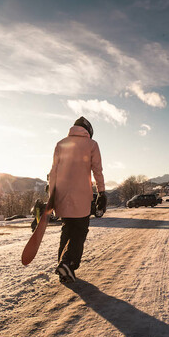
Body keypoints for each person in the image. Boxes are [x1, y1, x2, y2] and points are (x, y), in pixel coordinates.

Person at [48, 116, 106, 283]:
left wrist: (52, 195)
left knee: (67, 230)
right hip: (81, 196)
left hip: (62, 196)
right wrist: (101, 192)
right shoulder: (92, 145)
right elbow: (97, 170)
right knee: (79, 232)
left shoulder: (61, 144)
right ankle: (67, 263)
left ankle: (63, 269)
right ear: (89, 131)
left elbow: (54, 172)